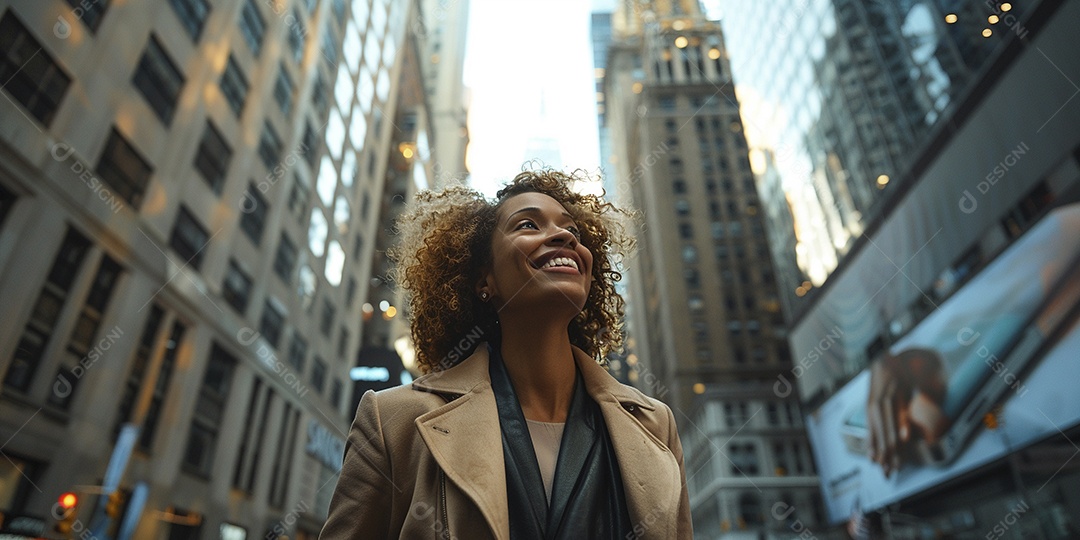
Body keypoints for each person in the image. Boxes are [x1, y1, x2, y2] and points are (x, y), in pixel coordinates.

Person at [319, 168, 692, 539]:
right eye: (528, 225)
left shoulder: (656, 425)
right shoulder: (392, 422)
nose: (563, 235)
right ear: (485, 280)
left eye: (572, 231)